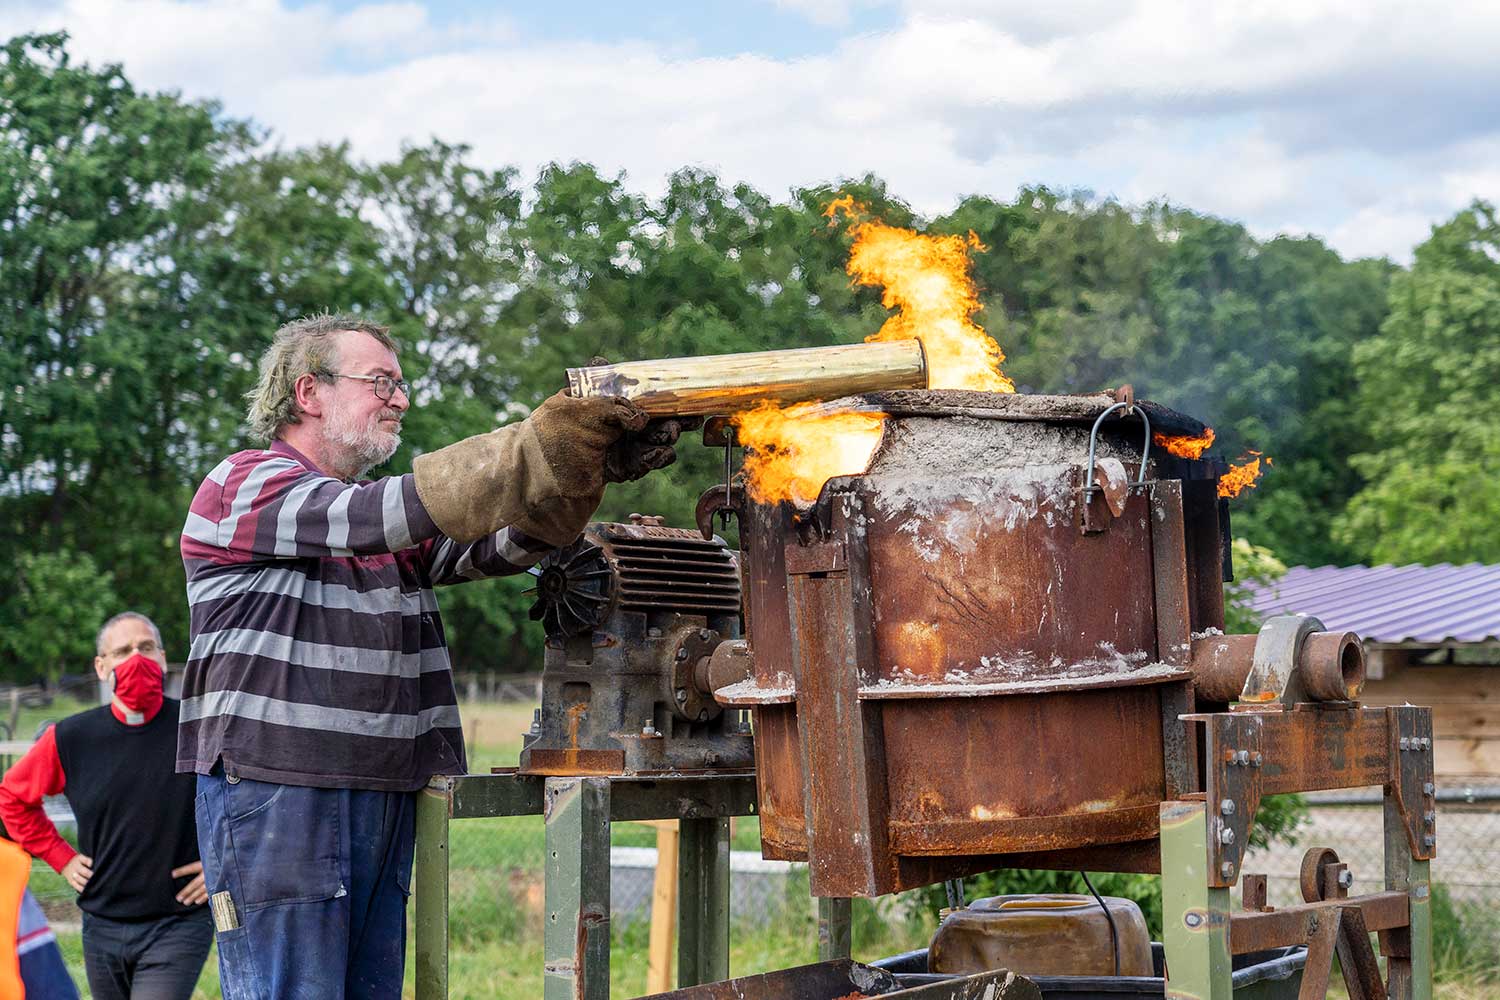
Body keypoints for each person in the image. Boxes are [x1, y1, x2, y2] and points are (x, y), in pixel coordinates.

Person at [179, 314, 682, 998]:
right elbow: (392, 514)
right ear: (308, 392)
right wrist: (535, 446)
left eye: (401, 382)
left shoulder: (370, 516)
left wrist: (576, 471)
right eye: (381, 381)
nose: (401, 399)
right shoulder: (246, 486)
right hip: (281, 789)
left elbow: (489, 544)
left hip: (381, 786)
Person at [0, 612, 210, 1000]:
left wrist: (223, 864)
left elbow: (251, 801)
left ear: (163, 659)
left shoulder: (198, 729)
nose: (136, 659)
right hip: (102, 923)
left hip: (178, 922)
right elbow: (11, 797)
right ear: (101, 666)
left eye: (146, 648)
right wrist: (59, 855)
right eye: (122, 651)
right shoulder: (70, 737)